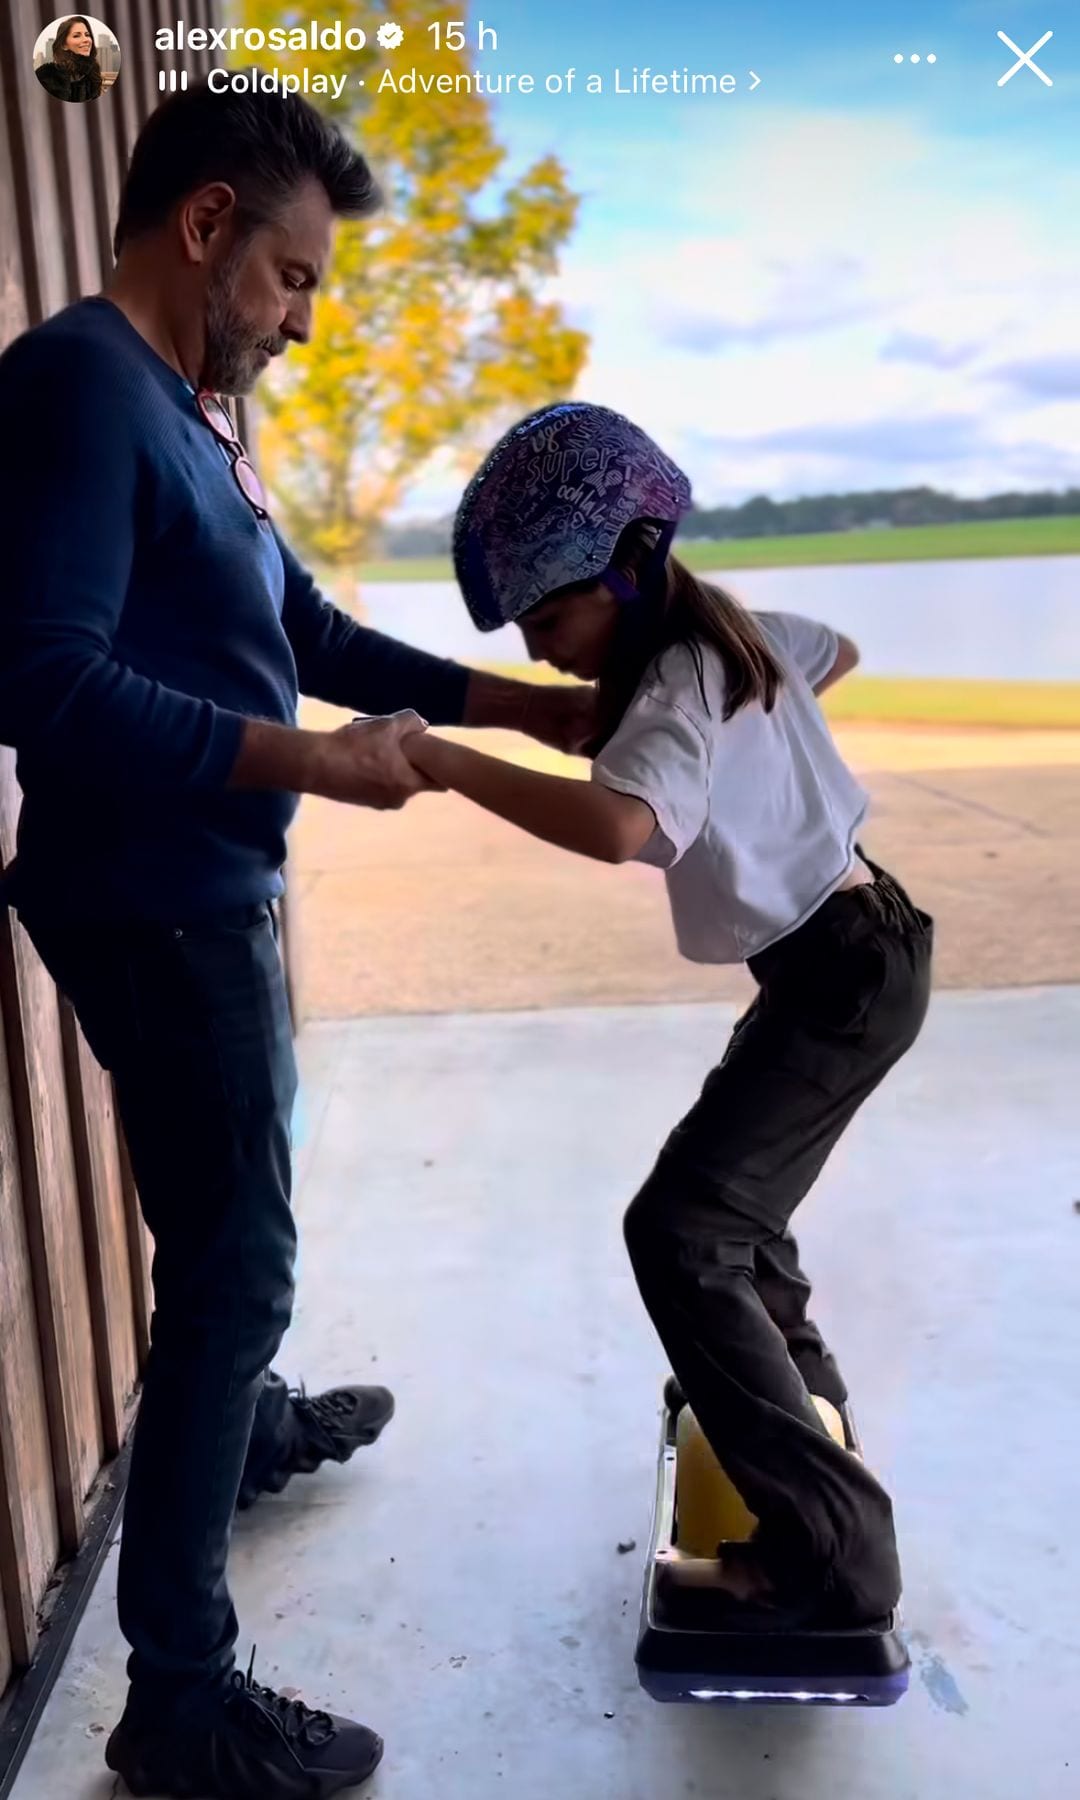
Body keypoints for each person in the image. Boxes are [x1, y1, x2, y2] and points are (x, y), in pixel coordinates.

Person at [0, 83, 598, 1800]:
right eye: (294, 276)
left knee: (224, 1223)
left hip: (204, 886)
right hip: (157, 900)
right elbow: (35, 676)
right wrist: (308, 764)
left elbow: (305, 627)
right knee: (240, 1262)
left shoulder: (187, 413)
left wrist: (526, 707)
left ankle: (243, 1430)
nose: (304, 315)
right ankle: (180, 1697)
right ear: (206, 227)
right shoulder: (75, 389)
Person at [400, 401, 934, 1634]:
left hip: (843, 969)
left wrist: (447, 760)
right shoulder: (729, 642)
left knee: (682, 1229)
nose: (541, 655)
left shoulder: (683, 674)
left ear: (630, 570)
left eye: (550, 620)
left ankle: (837, 1565)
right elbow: (835, 647)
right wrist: (732, 727)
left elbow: (621, 829)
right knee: (737, 1227)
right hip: (845, 960)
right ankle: (806, 1436)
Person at [35, 15, 104, 102]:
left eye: (87, 35)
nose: (86, 39)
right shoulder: (47, 76)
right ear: (64, 45)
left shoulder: (93, 74)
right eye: (76, 36)